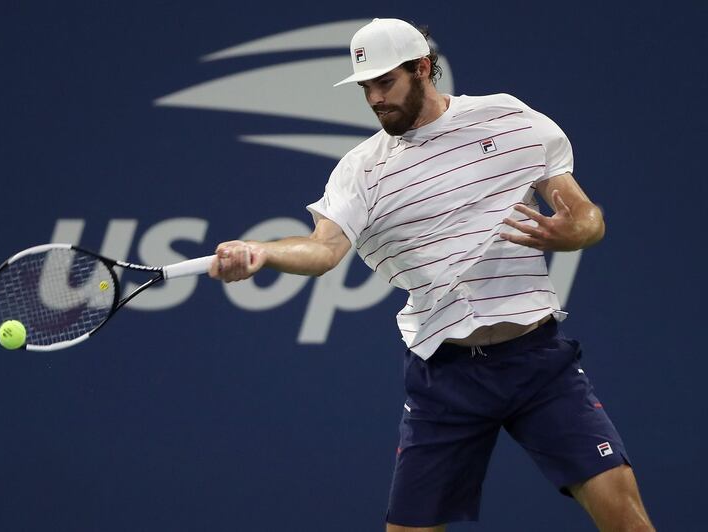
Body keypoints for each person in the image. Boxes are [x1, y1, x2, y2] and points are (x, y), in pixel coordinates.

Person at [209, 18, 654, 532]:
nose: (375, 98)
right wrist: (262, 253)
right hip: (445, 377)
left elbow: (585, 215)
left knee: (627, 520)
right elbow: (321, 250)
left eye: (385, 82)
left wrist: (574, 231)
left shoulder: (509, 121)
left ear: (422, 69)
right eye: (365, 87)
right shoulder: (362, 170)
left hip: (538, 364)